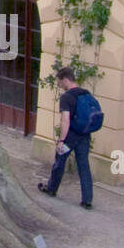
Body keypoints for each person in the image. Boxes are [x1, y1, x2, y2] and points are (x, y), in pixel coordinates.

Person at [38, 67, 93, 208]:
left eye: (59, 82)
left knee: (60, 161)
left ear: (66, 80)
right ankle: (87, 200)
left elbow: (65, 120)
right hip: (85, 135)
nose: (59, 85)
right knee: (84, 166)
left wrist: (61, 140)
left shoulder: (66, 97)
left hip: (70, 136)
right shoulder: (86, 94)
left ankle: (51, 188)